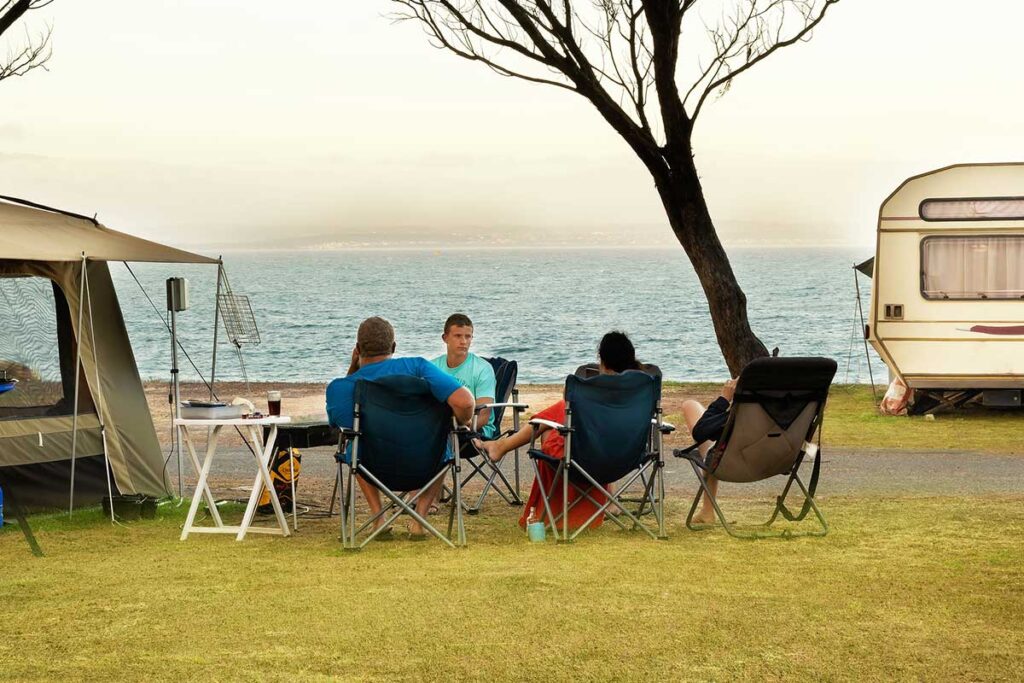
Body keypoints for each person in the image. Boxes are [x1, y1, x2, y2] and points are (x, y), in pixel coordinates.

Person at [476, 331, 642, 531]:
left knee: (557, 416)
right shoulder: (641, 389)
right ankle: (610, 501)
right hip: (628, 456)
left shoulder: (592, 390)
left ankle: (502, 446)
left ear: (602, 360)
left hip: (582, 459)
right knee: (562, 421)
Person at [325, 316, 474, 536]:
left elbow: (343, 425)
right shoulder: (418, 367)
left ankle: (379, 518)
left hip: (373, 467)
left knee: (353, 449)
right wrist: (462, 421)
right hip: (426, 465)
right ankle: (419, 520)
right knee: (446, 448)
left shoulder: (340, 387)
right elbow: (466, 402)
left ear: (357, 349)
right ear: (394, 347)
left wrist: (353, 369)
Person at [430, 313, 498, 443]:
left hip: (475, 431)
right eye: (458, 336)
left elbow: (483, 417)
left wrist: (451, 428)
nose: (464, 341)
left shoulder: (483, 369)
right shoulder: (432, 367)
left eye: (468, 336)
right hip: (438, 427)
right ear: (445, 338)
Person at [680, 377, 736, 524]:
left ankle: (708, 511)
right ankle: (707, 511)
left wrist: (724, 399)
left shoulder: (740, 413)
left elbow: (700, 432)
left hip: (728, 461)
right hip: (774, 462)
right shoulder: (786, 414)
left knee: (689, 405)